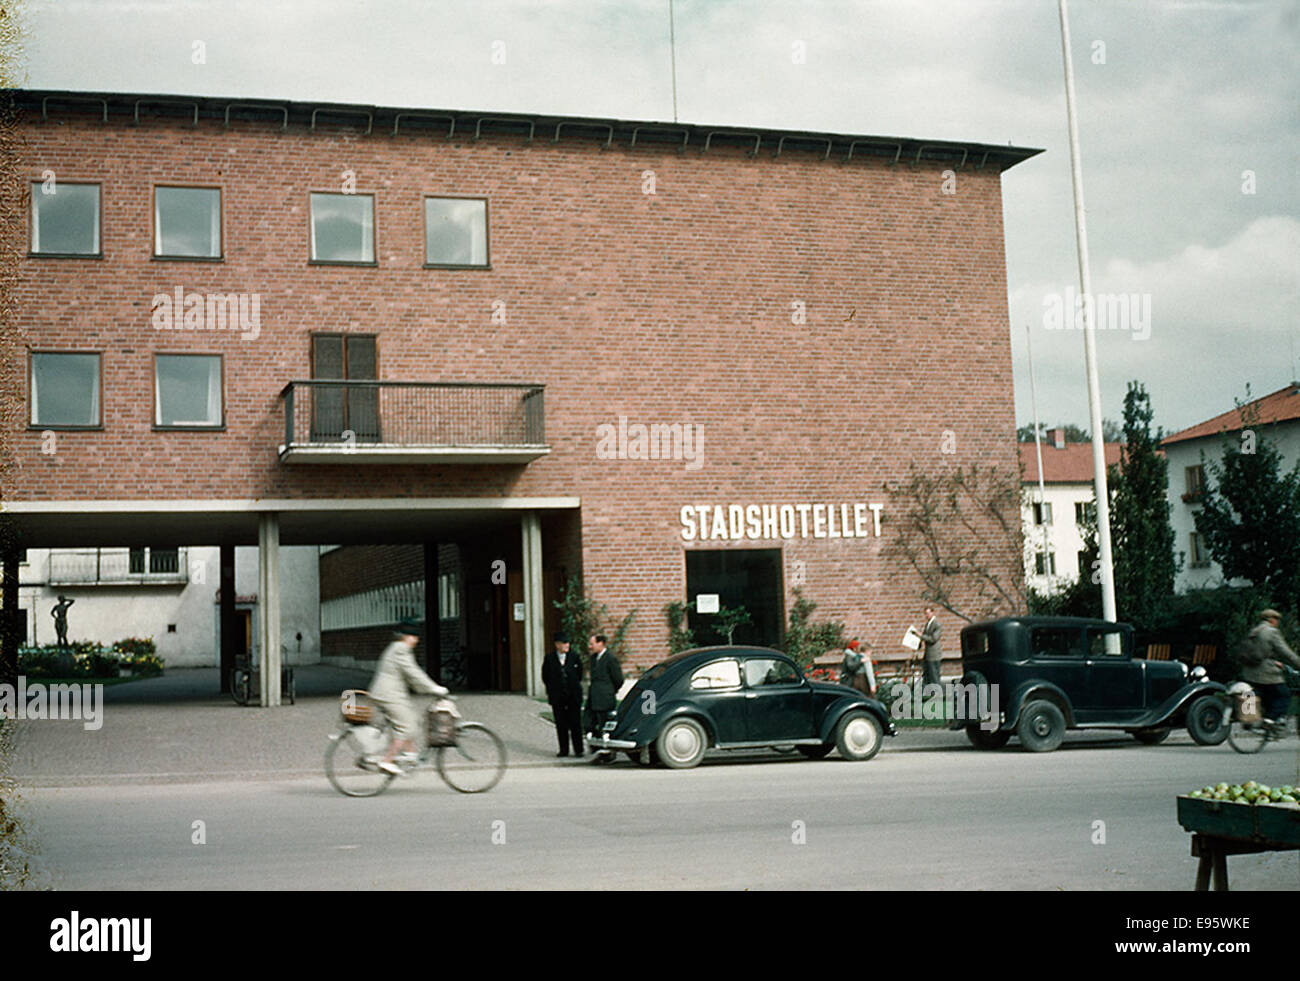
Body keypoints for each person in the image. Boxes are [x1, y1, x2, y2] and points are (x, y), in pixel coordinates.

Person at [368, 619, 449, 776]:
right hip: (388, 694)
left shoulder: (396, 647)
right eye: (414, 636)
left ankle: (410, 754)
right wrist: (434, 688)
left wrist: (426, 688)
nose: (417, 640)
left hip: (391, 692)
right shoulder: (401, 649)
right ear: (406, 637)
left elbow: (411, 676)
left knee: (412, 718)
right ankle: (388, 761)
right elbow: (413, 672)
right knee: (406, 726)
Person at [1242, 609, 1300, 725]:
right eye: (1277, 620)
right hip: (1266, 672)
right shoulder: (1271, 632)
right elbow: (1286, 652)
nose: (1277, 622)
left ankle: (1258, 721)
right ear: (1271, 619)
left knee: (1266, 695)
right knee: (1284, 695)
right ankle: (1270, 719)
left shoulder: (1254, 631)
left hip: (1249, 671)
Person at [542, 631, 585, 757]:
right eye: (564, 643)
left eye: (567, 643)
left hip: (573, 695)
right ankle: (564, 749)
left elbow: (579, 674)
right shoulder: (549, 658)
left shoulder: (574, 657)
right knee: (561, 723)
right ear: (557, 645)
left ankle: (579, 749)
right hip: (558, 696)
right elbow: (546, 676)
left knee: (575, 722)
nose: (567, 645)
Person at [584, 634, 624, 758]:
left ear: (601, 643)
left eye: (593, 644)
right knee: (588, 721)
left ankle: (607, 751)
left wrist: (610, 690)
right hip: (594, 696)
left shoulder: (610, 659)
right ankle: (595, 745)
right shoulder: (593, 658)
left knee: (604, 723)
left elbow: (618, 679)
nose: (590, 647)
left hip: (605, 697)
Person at [920, 606, 943, 689]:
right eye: (925, 614)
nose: (926, 615)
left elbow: (933, 639)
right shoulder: (928, 624)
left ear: (932, 613)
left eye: (928, 613)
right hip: (928, 654)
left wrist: (921, 636)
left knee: (934, 675)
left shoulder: (936, 624)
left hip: (934, 654)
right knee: (928, 674)